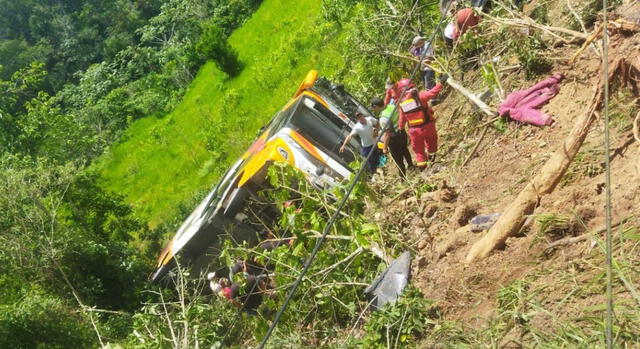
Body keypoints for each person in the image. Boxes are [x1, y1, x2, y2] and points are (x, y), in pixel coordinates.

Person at [396, 75, 448, 169]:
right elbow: (433, 93)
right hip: (428, 127)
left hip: (414, 131)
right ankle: (432, 160)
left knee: (419, 151)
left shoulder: (402, 103)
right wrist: (441, 83)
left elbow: (402, 119)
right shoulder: (420, 96)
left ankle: (423, 168)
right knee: (431, 144)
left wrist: (401, 129)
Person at [370, 97, 414, 177]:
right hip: (402, 132)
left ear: (376, 106)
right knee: (405, 150)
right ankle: (411, 166)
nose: (374, 109)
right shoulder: (392, 106)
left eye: (373, 108)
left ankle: (403, 177)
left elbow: (387, 134)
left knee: (398, 160)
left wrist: (384, 147)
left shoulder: (383, 118)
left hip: (394, 140)